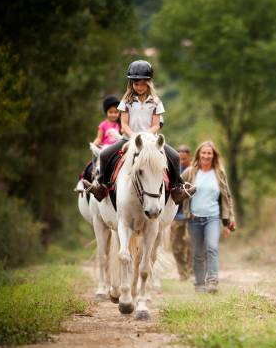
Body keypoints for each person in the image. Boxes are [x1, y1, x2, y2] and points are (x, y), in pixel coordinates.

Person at [83, 60, 195, 203]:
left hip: (151, 139)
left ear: (149, 82)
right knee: (105, 154)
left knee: (174, 156)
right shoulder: (126, 101)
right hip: (128, 137)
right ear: (131, 84)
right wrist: (135, 136)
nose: (140, 87)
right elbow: (123, 124)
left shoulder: (155, 102)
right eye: (136, 84)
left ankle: (177, 188)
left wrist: (146, 136)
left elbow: (156, 125)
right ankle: (101, 186)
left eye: (143, 83)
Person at [181, 141, 236, 294]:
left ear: (213, 156)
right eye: (203, 153)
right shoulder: (190, 172)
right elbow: (178, 188)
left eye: (209, 153)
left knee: (212, 248)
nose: (206, 156)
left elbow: (227, 197)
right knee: (198, 253)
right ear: (198, 154)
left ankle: (212, 282)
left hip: (212, 217)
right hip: (194, 219)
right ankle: (199, 284)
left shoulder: (219, 173)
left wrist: (229, 219)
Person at [170, 145, 193, 280]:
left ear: (189, 157)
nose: (182, 161)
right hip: (176, 215)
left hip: (191, 214)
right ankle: (182, 273)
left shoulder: (193, 171)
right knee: (176, 246)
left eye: (184, 159)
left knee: (191, 244)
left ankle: (191, 272)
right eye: (180, 159)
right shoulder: (173, 171)